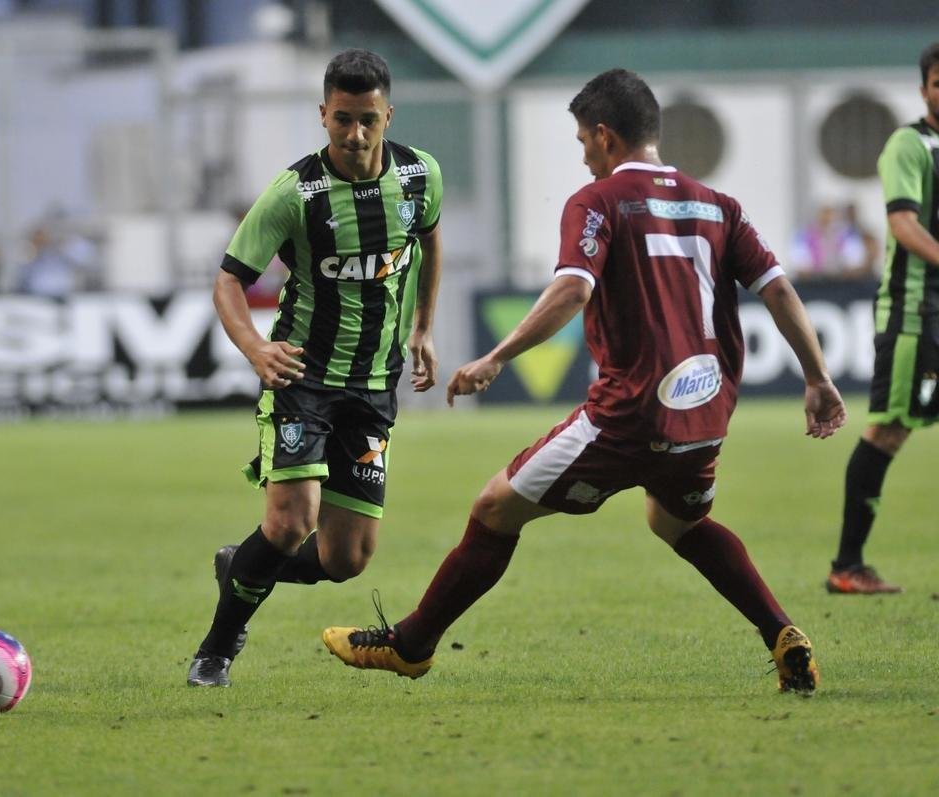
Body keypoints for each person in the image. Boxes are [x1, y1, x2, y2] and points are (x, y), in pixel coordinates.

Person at [322, 68, 847, 695]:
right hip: (705, 413)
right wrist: (817, 377)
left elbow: (573, 289)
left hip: (629, 415)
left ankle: (410, 646)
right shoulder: (717, 204)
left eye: (582, 142)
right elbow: (779, 289)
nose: (583, 157)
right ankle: (783, 633)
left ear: (604, 135)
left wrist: (497, 356)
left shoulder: (598, 200)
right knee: (677, 523)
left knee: (494, 509)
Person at [186, 48, 444, 687]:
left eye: (368, 120)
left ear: (388, 116)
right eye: (342, 119)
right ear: (323, 114)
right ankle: (216, 650)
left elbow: (430, 239)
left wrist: (423, 327)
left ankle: (242, 566)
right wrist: (256, 348)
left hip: (374, 384)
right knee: (289, 521)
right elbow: (228, 280)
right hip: (302, 378)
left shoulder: (419, 176)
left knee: (346, 559)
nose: (355, 134)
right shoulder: (294, 193)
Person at [826, 42, 939, 594]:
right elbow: (903, 225)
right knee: (889, 430)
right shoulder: (908, 145)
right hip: (917, 312)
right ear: (924, 90)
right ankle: (847, 566)